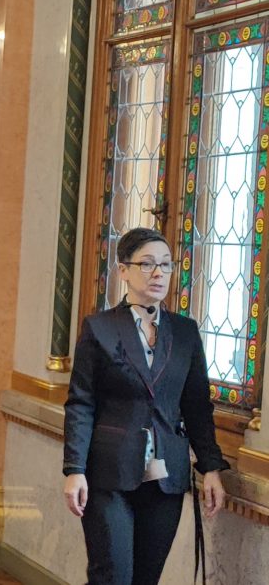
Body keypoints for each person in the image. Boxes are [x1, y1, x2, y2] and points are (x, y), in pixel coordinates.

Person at [63, 227, 228, 585]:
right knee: (112, 576)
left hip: (166, 477)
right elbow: (81, 403)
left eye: (166, 265)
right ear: (123, 270)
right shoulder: (100, 328)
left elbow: (197, 407)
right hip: (109, 474)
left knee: (146, 578)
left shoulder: (185, 332)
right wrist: (74, 469)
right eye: (148, 264)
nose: (158, 273)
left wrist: (211, 468)